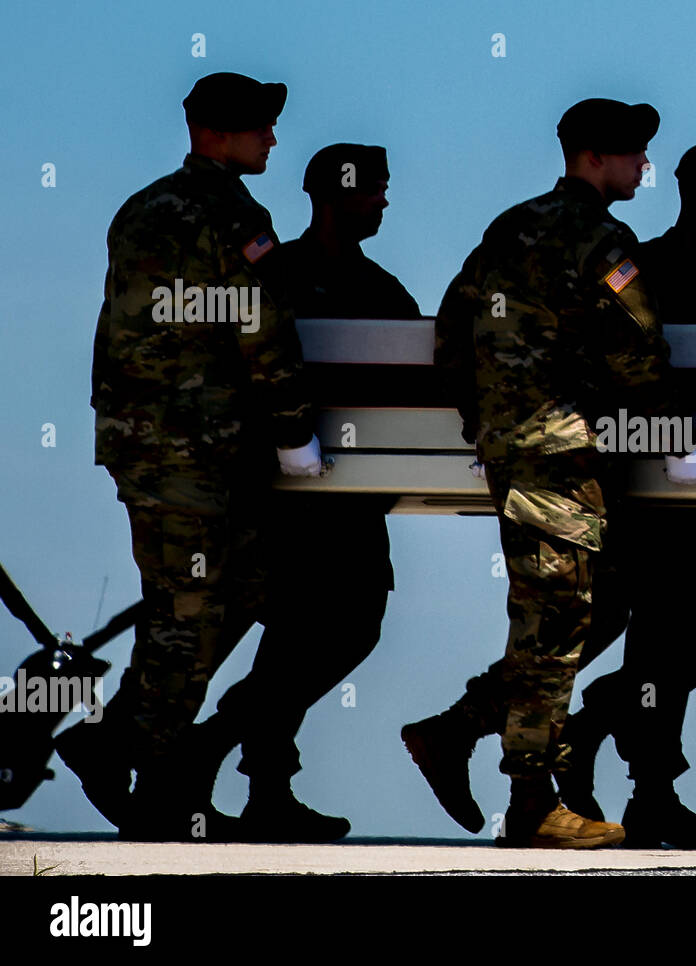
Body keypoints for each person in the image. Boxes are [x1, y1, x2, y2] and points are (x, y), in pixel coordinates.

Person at [402, 98, 696, 848]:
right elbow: (638, 351)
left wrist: (484, 420)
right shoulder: (602, 240)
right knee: (555, 620)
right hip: (561, 450)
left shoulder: (510, 228)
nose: (645, 165)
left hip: (516, 445)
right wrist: (681, 441)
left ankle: (458, 734)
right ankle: (531, 802)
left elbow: (453, 331)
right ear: (596, 159)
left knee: (566, 611)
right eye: (634, 153)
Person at [59, 72, 321, 841]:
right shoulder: (230, 213)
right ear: (220, 135)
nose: (271, 140)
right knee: (191, 610)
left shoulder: (142, 208)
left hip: (148, 441)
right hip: (195, 447)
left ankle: (124, 746)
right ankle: (152, 778)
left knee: (224, 591)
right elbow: (263, 330)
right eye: (260, 128)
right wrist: (294, 428)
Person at [184, 144, 421, 842]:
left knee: (339, 632)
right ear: (334, 195)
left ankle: (234, 760)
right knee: (300, 638)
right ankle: (255, 779)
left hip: (350, 504)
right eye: (372, 191)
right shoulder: (276, 276)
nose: (382, 202)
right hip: (278, 503)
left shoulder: (380, 288)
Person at [555, 142, 696, 849]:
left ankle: (596, 730)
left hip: (693, 492)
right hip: (651, 495)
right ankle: (650, 791)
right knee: (670, 640)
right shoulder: (644, 269)